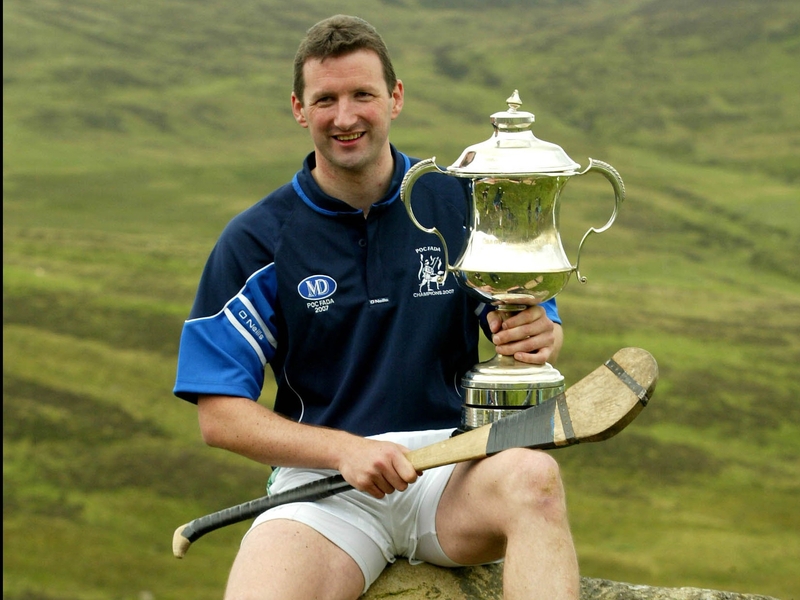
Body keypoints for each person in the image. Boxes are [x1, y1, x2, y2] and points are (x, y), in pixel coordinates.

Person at [174, 14, 578, 600]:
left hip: (453, 468)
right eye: (325, 99)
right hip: (325, 489)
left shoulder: (462, 203)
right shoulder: (256, 240)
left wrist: (540, 336)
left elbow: (533, 324)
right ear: (299, 108)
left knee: (536, 480)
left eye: (362, 94)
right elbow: (219, 416)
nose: (345, 117)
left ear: (395, 97)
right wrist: (344, 450)